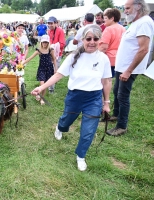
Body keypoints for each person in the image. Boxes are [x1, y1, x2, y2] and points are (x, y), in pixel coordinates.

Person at [31, 25, 112, 171]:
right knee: (66, 121)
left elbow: (106, 81)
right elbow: (58, 75)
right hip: (75, 96)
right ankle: (59, 128)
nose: (92, 42)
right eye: (88, 38)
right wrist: (41, 87)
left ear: (100, 40)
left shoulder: (104, 59)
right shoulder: (73, 56)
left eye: (95, 39)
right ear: (83, 39)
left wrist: (106, 103)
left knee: (88, 131)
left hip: (94, 99)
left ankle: (81, 156)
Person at [106, 0, 154, 136]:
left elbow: (143, 49)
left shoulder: (144, 22)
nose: (125, 11)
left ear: (138, 6)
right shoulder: (136, 23)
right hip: (122, 67)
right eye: (124, 8)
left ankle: (121, 126)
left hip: (129, 69)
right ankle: (116, 115)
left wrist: (128, 70)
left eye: (127, 8)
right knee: (117, 91)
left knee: (123, 96)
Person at [22, 35, 57, 105]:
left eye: (46, 42)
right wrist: (22, 63)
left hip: (49, 69)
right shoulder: (39, 50)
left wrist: (56, 69)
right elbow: (30, 58)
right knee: (42, 83)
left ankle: (41, 98)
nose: (44, 44)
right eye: (43, 42)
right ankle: (40, 96)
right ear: (41, 42)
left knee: (45, 85)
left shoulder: (51, 50)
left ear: (48, 43)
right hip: (41, 69)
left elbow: (54, 59)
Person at [99, 8, 126, 78]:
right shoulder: (123, 28)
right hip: (119, 58)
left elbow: (103, 47)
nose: (103, 20)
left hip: (108, 59)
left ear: (112, 18)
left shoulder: (108, 29)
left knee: (105, 79)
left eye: (105, 18)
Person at [47, 16, 65, 93]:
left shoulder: (60, 31)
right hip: (49, 53)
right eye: (48, 23)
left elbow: (62, 44)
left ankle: (51, 89)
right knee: (49, 69)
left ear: (56, 23)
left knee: (54, 69)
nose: (50, 25)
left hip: (57, 54)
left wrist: (53, 46)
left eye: (51, 23)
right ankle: (50, 84)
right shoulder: (49, 31)